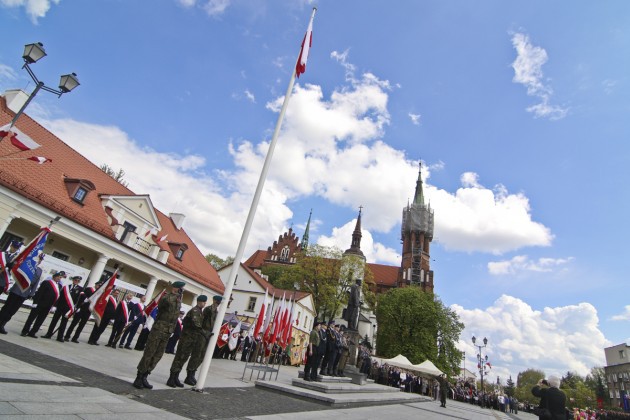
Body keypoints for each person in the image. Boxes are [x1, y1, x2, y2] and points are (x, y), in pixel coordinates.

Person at [134, 281, 184, 389]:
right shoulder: (167, 298)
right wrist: (175, 295)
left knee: (158, 355)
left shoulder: (178, 301)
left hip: (167, 331)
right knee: (149, 353)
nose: (182, 291)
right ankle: (139, 377)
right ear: (176, 288)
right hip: (159, 329)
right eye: (181, 289)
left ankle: (146, 375)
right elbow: (162, 307)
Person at [167, 295, 207, 387]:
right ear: (199, 302)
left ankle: (176, 377)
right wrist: (206, 333)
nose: (204, 304)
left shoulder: (200, 312)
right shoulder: (195, 311)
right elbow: (197, 325)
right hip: (187, 338)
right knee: (179, 358)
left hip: (192, 339)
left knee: (183, 358)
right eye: (204, 302)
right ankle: (171, 378)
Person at [0, 252, 44, 334]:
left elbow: (36, 283)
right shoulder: (26, 265)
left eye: (41, 259)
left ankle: (3, 324)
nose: (39, 260)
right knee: (7, 307)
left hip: (25, 292)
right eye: (38, 258)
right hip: (16, 289)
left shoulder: (39, 270)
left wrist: (31, 293)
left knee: (13, 310)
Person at [21, 271, 65, 338]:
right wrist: (35, 302)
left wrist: (54, 305)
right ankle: (25, 331)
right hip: (40, 303)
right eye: (58, 277)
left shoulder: (59, 286)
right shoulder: (46, 282)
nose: (59, 278)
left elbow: (57, 296)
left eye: (60, 277)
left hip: (48, 306)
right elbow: (40, 293)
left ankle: (33, 332)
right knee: (31, 318)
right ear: (54, 277)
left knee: (40, 320)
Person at [42, 275, 82, 342]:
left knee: (64, 323)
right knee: (54, 321)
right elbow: (60, 297)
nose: (76, 281)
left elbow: (79, 299)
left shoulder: (80, 289)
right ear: (73, 280)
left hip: (68, 309)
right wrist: (55, 305)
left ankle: (60, 337)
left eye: (78, 281)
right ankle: (48, 334)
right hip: (60, 306)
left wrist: (77, 307)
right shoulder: (66, 287)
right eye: (75, 280)